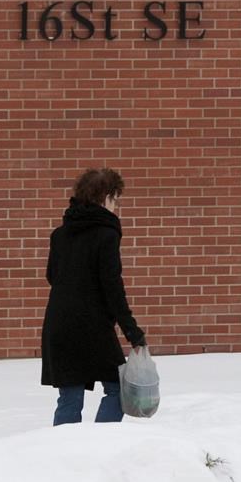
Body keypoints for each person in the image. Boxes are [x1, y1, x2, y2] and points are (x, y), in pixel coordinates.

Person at [41, 167, 147, 426]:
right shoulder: (106, 235)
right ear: (106, 198)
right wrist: (133, 333)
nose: (117, 207)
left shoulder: (60, 234)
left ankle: (64, 455)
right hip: (93, 326)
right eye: (116, 199)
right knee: (117, 388)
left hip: (59, 323)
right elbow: (112, 288)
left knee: (69, 396)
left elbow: (52, 276)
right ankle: (99, 446)